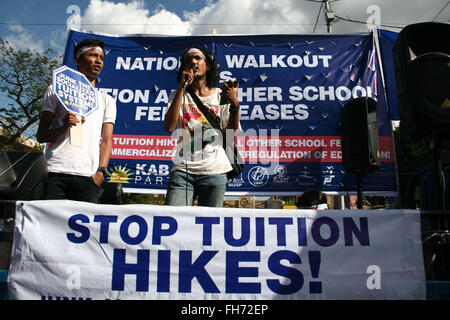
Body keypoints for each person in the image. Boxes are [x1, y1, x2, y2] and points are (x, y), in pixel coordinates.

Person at [36, 38, 116, 203]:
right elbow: (41, 135)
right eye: (93, 55)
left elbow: (107, 140)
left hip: (88, 177)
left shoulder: (106, 100)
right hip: (56, 172)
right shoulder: (55, 90)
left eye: (101, 58)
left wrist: (101, 172)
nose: (98, 61)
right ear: (78, 59)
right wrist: (64, 127)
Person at [163, 46, 240, 207]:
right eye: (188, 60)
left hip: (215, 171)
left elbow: (230, 136)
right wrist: (180, 87)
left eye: (198, 58)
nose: (193, 62)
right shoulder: (177, 95)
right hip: (183, 171)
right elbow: (169, 127)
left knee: (209, 227)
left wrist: (235, 106)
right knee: (174, 220)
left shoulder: (220, 95)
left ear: (208, 66)